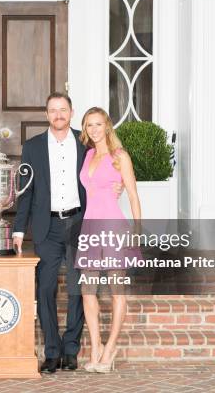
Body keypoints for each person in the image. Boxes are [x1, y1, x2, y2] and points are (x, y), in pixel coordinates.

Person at [12, 93, 123, 374]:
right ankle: (52, 351)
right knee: (45, 289)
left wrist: (118, 186)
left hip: (80, 223)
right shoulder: (32, 147)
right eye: (53, 110)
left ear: (72, 113)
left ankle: (71, 350)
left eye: (63, 109)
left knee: (79, 290)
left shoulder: (85, 143)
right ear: (46, 114)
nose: (58, 114)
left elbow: (110, 166)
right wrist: (18, 230)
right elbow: (25, 193)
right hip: (46, 227)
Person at [75, 107, 142, 373]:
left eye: (98, 124)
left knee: (117, 292)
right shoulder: (88, 154)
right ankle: (96, 346)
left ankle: (111, 346)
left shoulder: (120, 156)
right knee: (87, 292)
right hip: (90, 228)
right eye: (89, 125)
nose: (93, 129)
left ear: (107, 126)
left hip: (114, 228)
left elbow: (134, 195)